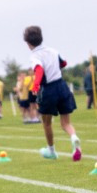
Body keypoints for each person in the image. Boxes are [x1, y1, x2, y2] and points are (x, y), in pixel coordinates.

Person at [23, 25, 81, 160]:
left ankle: (51, 151)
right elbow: (64, 63)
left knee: (47, 123)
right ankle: (74, 137)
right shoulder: (53, 51)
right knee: (66, 123)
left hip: (48, 90)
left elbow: (39, 70)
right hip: (62, 86)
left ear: (28, 43)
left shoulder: (34, 56)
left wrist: (35, 86)